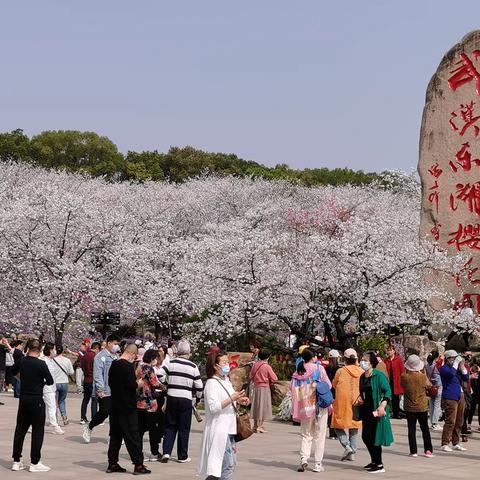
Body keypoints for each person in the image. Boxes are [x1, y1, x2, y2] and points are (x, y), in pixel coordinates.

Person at [197, 350, 249, 480]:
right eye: (224, 362)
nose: (228, 365)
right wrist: (233, 398)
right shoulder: (211, 384)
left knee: (222, 468)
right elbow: (214, 407)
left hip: (230, 429)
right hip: (219, 430)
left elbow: (230, 399)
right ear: (215, 365)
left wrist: (240, 400)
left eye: (228, 362)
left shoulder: (226, 381)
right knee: (227, 467)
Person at [11, 338, 54, 472]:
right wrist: (40, 383)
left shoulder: (22, 361)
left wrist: (22, 378)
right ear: (40, 349)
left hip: (24, 398)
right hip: (36, 399)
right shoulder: (41, 364)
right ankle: (35, 462)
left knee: (20, 430)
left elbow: (13, 371)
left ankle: (16, 461)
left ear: (28, 348)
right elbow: (50, 381)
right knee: (37, 431)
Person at [107, 343, 150, 475]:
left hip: (115, 405)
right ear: (132, 354)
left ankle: (112, 463)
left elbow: (111, 383)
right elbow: (131, 385)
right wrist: (139, 383)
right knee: (132, 436)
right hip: (127, 407)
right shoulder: (127, 366)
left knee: (115, 436)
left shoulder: (114, 364)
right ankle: (138, 464)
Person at [160, 339, 203, 463]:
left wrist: (167, 384)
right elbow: (199, 386)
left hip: (172, 396)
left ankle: (166, 452)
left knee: (170, 425)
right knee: (184, 428)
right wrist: (198, 399)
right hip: (186, 398)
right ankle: (182, 455)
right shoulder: (193, 366)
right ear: (188, 352)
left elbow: (159, 375)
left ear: (178, 351)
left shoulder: (170, 362)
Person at [290, 348, 331, 473]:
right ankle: (318, 464)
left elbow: (291, 388)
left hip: (305, 407)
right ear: (313, 357)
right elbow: (328, 385)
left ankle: (304, 459)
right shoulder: (319, 369)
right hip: (319, 407)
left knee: (306, 434)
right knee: (319, 435)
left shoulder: (298, 371)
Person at [358, 351, 393, 474]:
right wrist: (361, 399)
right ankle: (374, 460)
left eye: (365, 360)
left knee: (374, 437)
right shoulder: (362, 376)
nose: (362, 362)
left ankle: (379, 464)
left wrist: (383, 405)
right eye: (362, 359)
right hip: (366, 410)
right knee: (366, 436)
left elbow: (387, 391)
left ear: (372, 362)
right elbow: (362, 392)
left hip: (376, 410)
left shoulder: (379, 376)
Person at [83, 334, 121, 443]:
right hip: (105, 390)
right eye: (115, 344)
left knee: (115, 414)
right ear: (109, 343)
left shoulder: (116, 357)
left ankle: (113, 436)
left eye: (118, 345)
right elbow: (98, 374)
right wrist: (100, 388)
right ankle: (89, 426)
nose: (116, 346)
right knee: (105, 412)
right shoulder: (100, 357)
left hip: (116, 390)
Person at [331, 348, 363, 462]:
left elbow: (334, 384)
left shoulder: (340, 371)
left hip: (342, 403)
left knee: (338, 426)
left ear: (345, 358)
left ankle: (347, 446)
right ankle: (352, 452)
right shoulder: (361, 371)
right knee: (354, 427)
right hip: (356, 402)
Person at [400, 354, 433, 457]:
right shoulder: (422, 377)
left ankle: (413, 451)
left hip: (409, 406)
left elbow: (402, 385)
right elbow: (429, 385)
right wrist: (423, 373)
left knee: (411, 429)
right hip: (422, 405)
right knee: (425, 429)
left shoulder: (404, 376)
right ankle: (428, 450)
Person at [136, 349, 164, 461]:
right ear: (152, 358)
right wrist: (163, 386)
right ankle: (154, 452)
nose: (156, 361)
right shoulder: (149, 368)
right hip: (149, 402)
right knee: (153, 429)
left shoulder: (139, 367)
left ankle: (139, 453)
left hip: (139, 402)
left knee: (140, 430)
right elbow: (154, 383)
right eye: (156, 358)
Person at [440, 350, 469, 452]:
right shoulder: (444, 368)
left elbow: (466, 377)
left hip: (459, 395)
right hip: (450, 396)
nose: (454, 360)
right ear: (448, 359)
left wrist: (462, 366)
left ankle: (456, 442)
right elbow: (450, 375)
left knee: (459, 420)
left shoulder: (456, 369)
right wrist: (456, 364)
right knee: (450, 421)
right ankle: (445, 443)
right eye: (453, 358)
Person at [249, 349, 278, 433]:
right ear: (268, 357)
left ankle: (255, 425)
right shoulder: (267, 366)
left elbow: (250, 376)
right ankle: (260, 426)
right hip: (264, 387)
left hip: (256, 387)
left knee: (256, 406)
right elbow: (274, 378)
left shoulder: (255, 365)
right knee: (263, 406)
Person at [41, 343, 64, 435]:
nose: (55, 351)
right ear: (50, 350)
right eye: (54, 349)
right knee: (52, 407)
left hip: (52, 388)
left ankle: (30, 425)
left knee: (50, 407)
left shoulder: (51, 361)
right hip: (46, 388)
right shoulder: (44, 361)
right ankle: (55, 426)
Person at [52, 345, 74, 425]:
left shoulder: (52, 360)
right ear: (62, 351)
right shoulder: (67, 360)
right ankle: (64, 417)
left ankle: (54, 419)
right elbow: (71, 372)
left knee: (54, 402)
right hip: (64, 382)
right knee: (62, 401)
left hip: (55, 383)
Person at [80, 341, 100, 425]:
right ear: (96, 349)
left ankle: (83, 417)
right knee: (94, 399)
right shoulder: (95, 357)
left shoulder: (84, 356)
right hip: (92, 380)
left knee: (85, 399)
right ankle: (94, 418)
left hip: (86, 379)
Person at [384, 345, 405, 419]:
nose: (389, 352)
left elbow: (402, 371)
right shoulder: (386, 360)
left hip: (396, 382)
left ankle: (396, 413)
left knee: (396, 398)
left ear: (394, 351)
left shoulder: (398, 360)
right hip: (388, 381)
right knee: (388, 397)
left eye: (390, 350)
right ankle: (389, 412)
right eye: (388, 350)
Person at [326, 349, 341, 439]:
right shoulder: (339, 369)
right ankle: (336, 433)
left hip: (328, 392)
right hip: (336, 392)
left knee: (330, 413)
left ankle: (331, 433)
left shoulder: (326, 368)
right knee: (336, 413)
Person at [425, 350, 443, 431]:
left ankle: (432, 422)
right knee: (436, 405)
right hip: (438, 387)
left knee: (432, 405)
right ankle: (435, 423)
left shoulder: (427, 365)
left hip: (431, 387)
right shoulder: (437, 365)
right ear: (436, 357)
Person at [0, 335, 13, 404]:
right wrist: (7, 343)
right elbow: (11, 351)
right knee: (0, 383)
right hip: (1, 368)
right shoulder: (2, 347)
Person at [468, 364, 480, 431]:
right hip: (476, 396)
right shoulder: (475, 377)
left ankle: (468, 425)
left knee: (471, 411)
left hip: (472, 396)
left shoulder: (471, 377)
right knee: (473, 411)